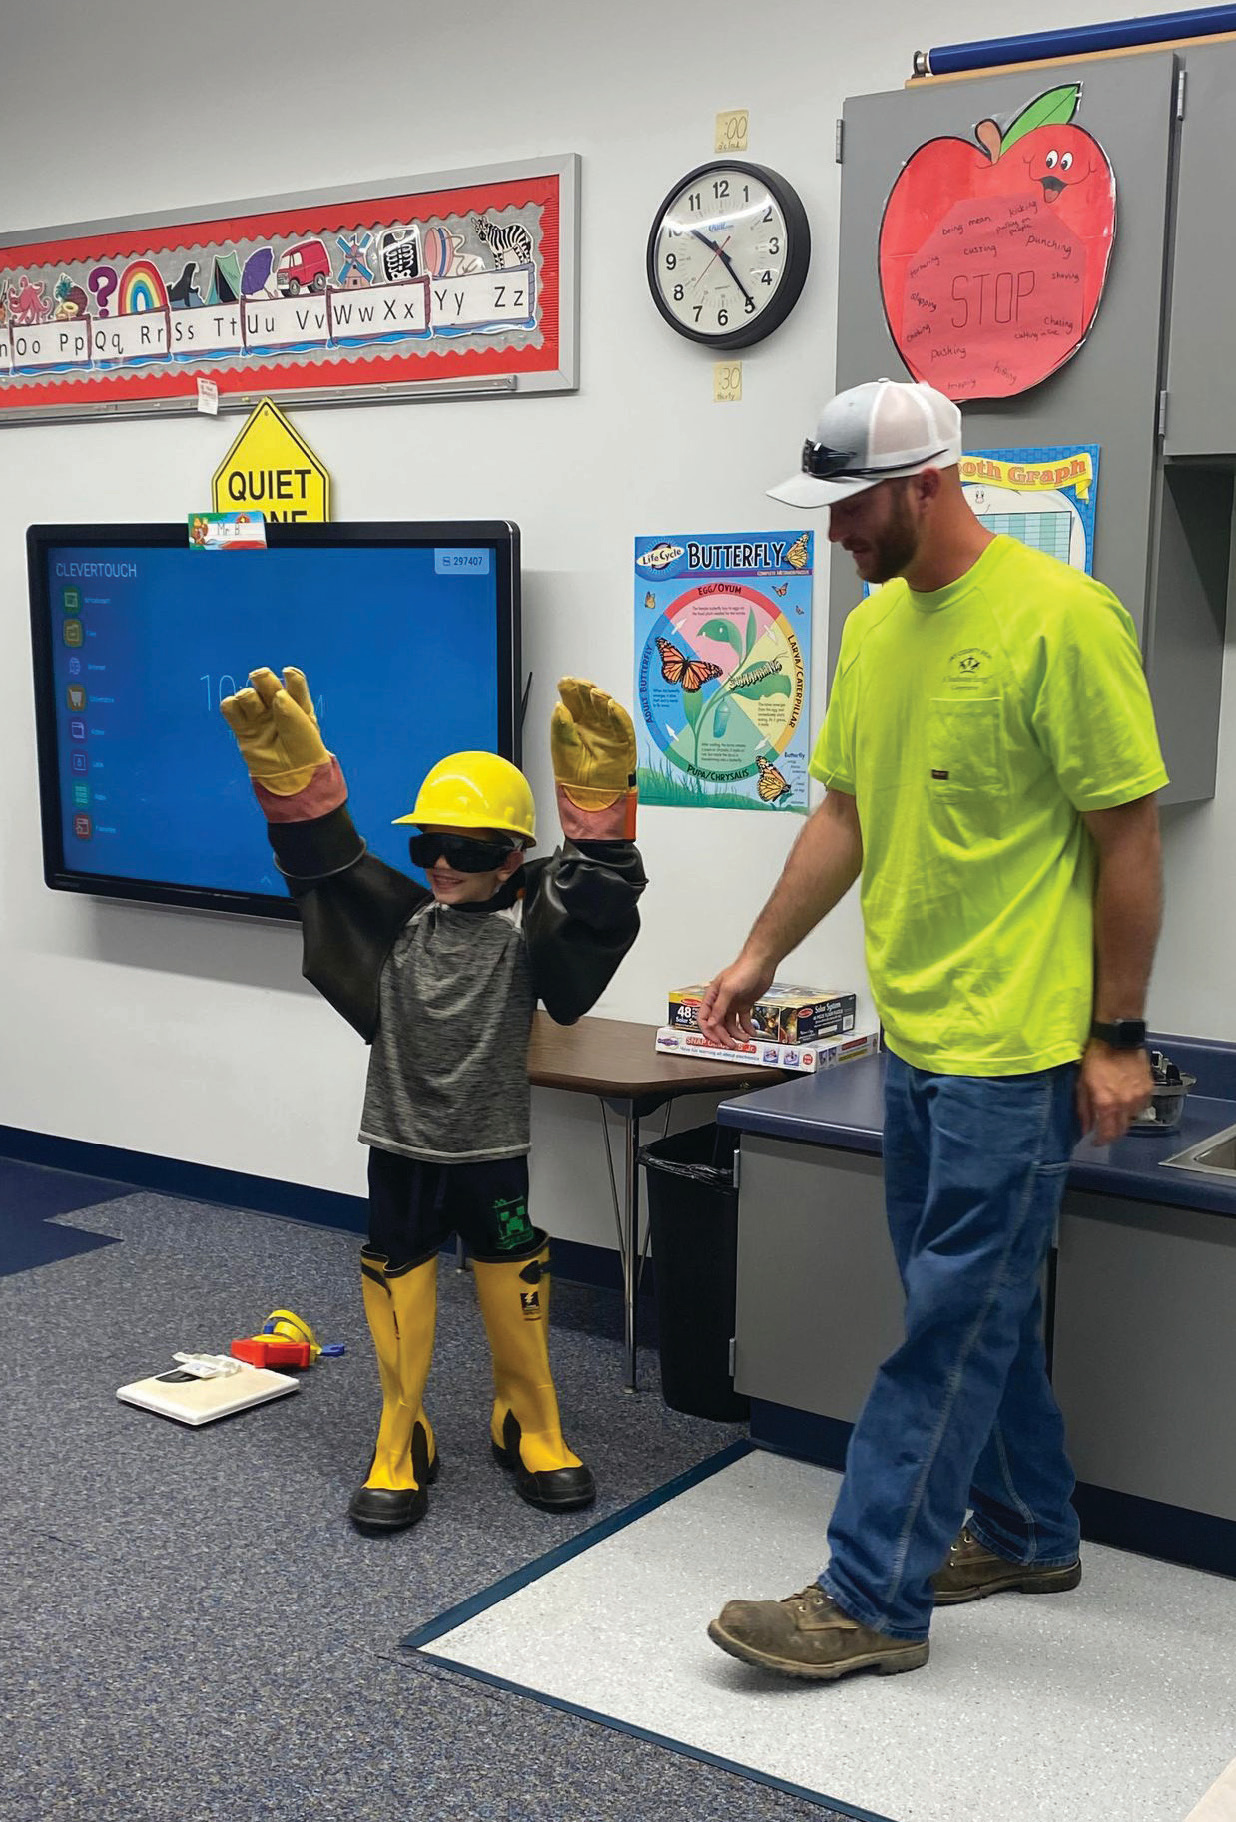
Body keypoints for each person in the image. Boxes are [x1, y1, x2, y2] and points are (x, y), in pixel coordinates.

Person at [701, 378, 1167, 1681]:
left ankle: (868, 1595)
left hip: (1015, 1053)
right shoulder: (874, 632)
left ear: (924, 485)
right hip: (910, 1039)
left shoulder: (1060, 621)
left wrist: (1116, 1031)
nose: (836, 535)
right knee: (969, 1308)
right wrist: (760, 950)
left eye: (850, 506)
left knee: (949, 1318)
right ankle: (1025, 1524)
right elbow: (846, 812)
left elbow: (1125, 834)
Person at [221, 667, 645, 1532]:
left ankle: (530, 1421)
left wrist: (600, 822)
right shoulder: (399, 926)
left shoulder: (530, 930)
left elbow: (593, 907)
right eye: (431, 848)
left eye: (476, 850)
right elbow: (331, 875)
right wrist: (297, 794)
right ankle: (399, 1433)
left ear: (514, 857)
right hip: (402, 1145)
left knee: (509, 1269)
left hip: (492, 1148)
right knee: (399, 1269)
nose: (448, 864)